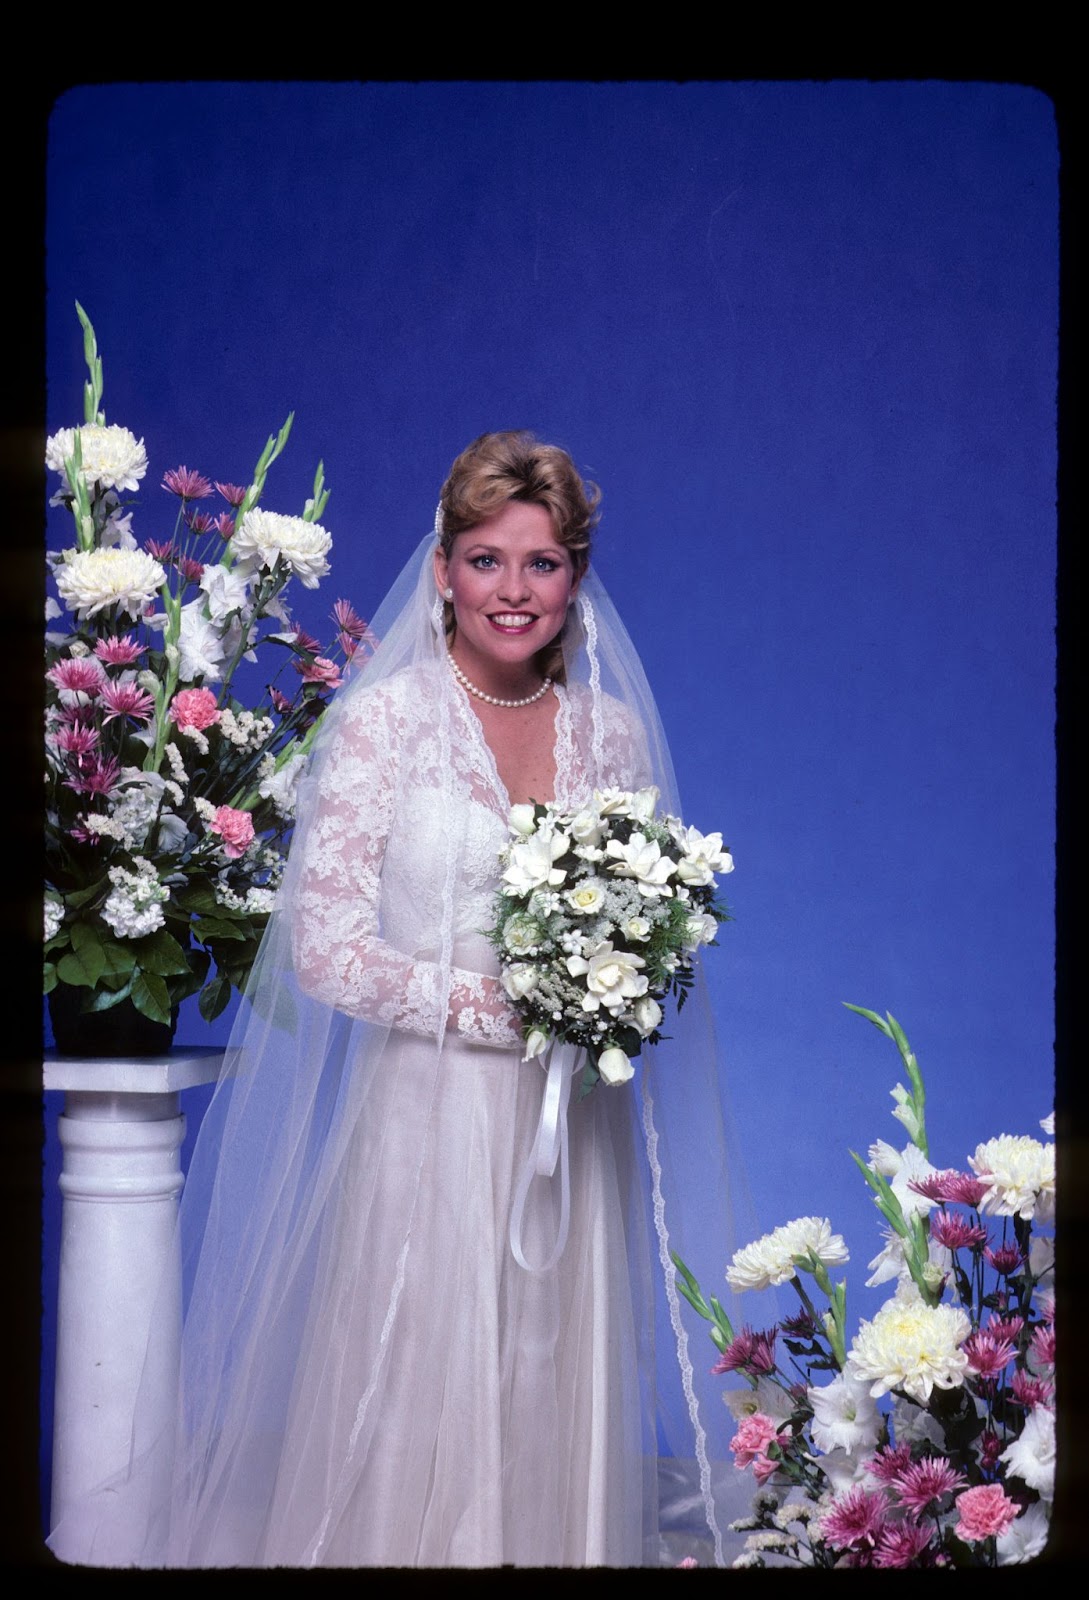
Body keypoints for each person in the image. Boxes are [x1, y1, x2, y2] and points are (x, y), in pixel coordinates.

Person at [50, 432, 754, 1567]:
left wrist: (602, 992)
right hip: (424, 1126)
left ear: (577, 574)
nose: (513, 592)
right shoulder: (388, 722)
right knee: (421, 1381)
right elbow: (326, 950)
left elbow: (651, 926)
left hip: (568, 1126)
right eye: (486, 560)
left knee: (547, 1368)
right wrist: (520, 1004)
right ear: (441, 568)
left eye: (541, 563)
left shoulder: (608, 733)